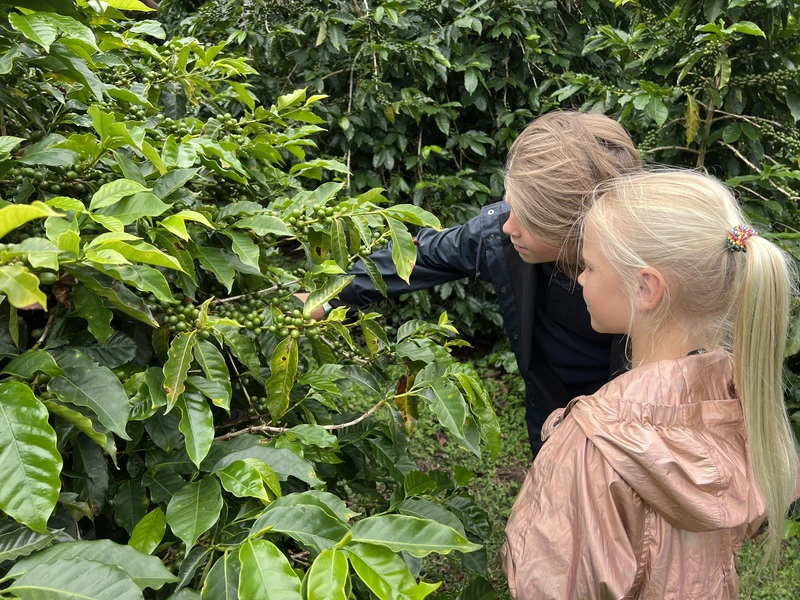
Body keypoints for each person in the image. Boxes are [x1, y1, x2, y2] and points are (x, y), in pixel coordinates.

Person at [502, 170, 799, 599]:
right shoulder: (739, 398)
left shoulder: (594, 444)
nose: (580, 278)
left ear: (646, 288)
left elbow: (548, 583)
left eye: (588, 265)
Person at [310, 111, 641, 456]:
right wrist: (331, 295)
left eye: (527, 218)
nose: (509, 226)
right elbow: (421, 258)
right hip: (551, 408)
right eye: (511, 206)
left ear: (576, 228)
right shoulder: (505, 237)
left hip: (629, 422)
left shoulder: (654, 274)